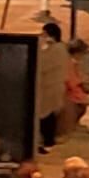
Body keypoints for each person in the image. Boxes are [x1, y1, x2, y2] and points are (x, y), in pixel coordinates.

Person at [35, 23, 69, 153]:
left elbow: (43, 64)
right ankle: (46, 141)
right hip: (49, 87)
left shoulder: (56, 50)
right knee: (46, 115)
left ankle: (48, 142)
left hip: (51, 87)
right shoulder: (56, 48)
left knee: (46, 115)